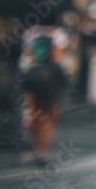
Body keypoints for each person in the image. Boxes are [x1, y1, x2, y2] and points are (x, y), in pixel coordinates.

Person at [20, 35, 69, 166]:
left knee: (36, 122)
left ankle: (37, 150)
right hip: (50, 98)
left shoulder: (31, 68)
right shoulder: (54, 67)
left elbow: (25, 86)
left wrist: (28, 103)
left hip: (35, 97)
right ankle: (42, 151)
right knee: (47, 122)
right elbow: (64, 84)